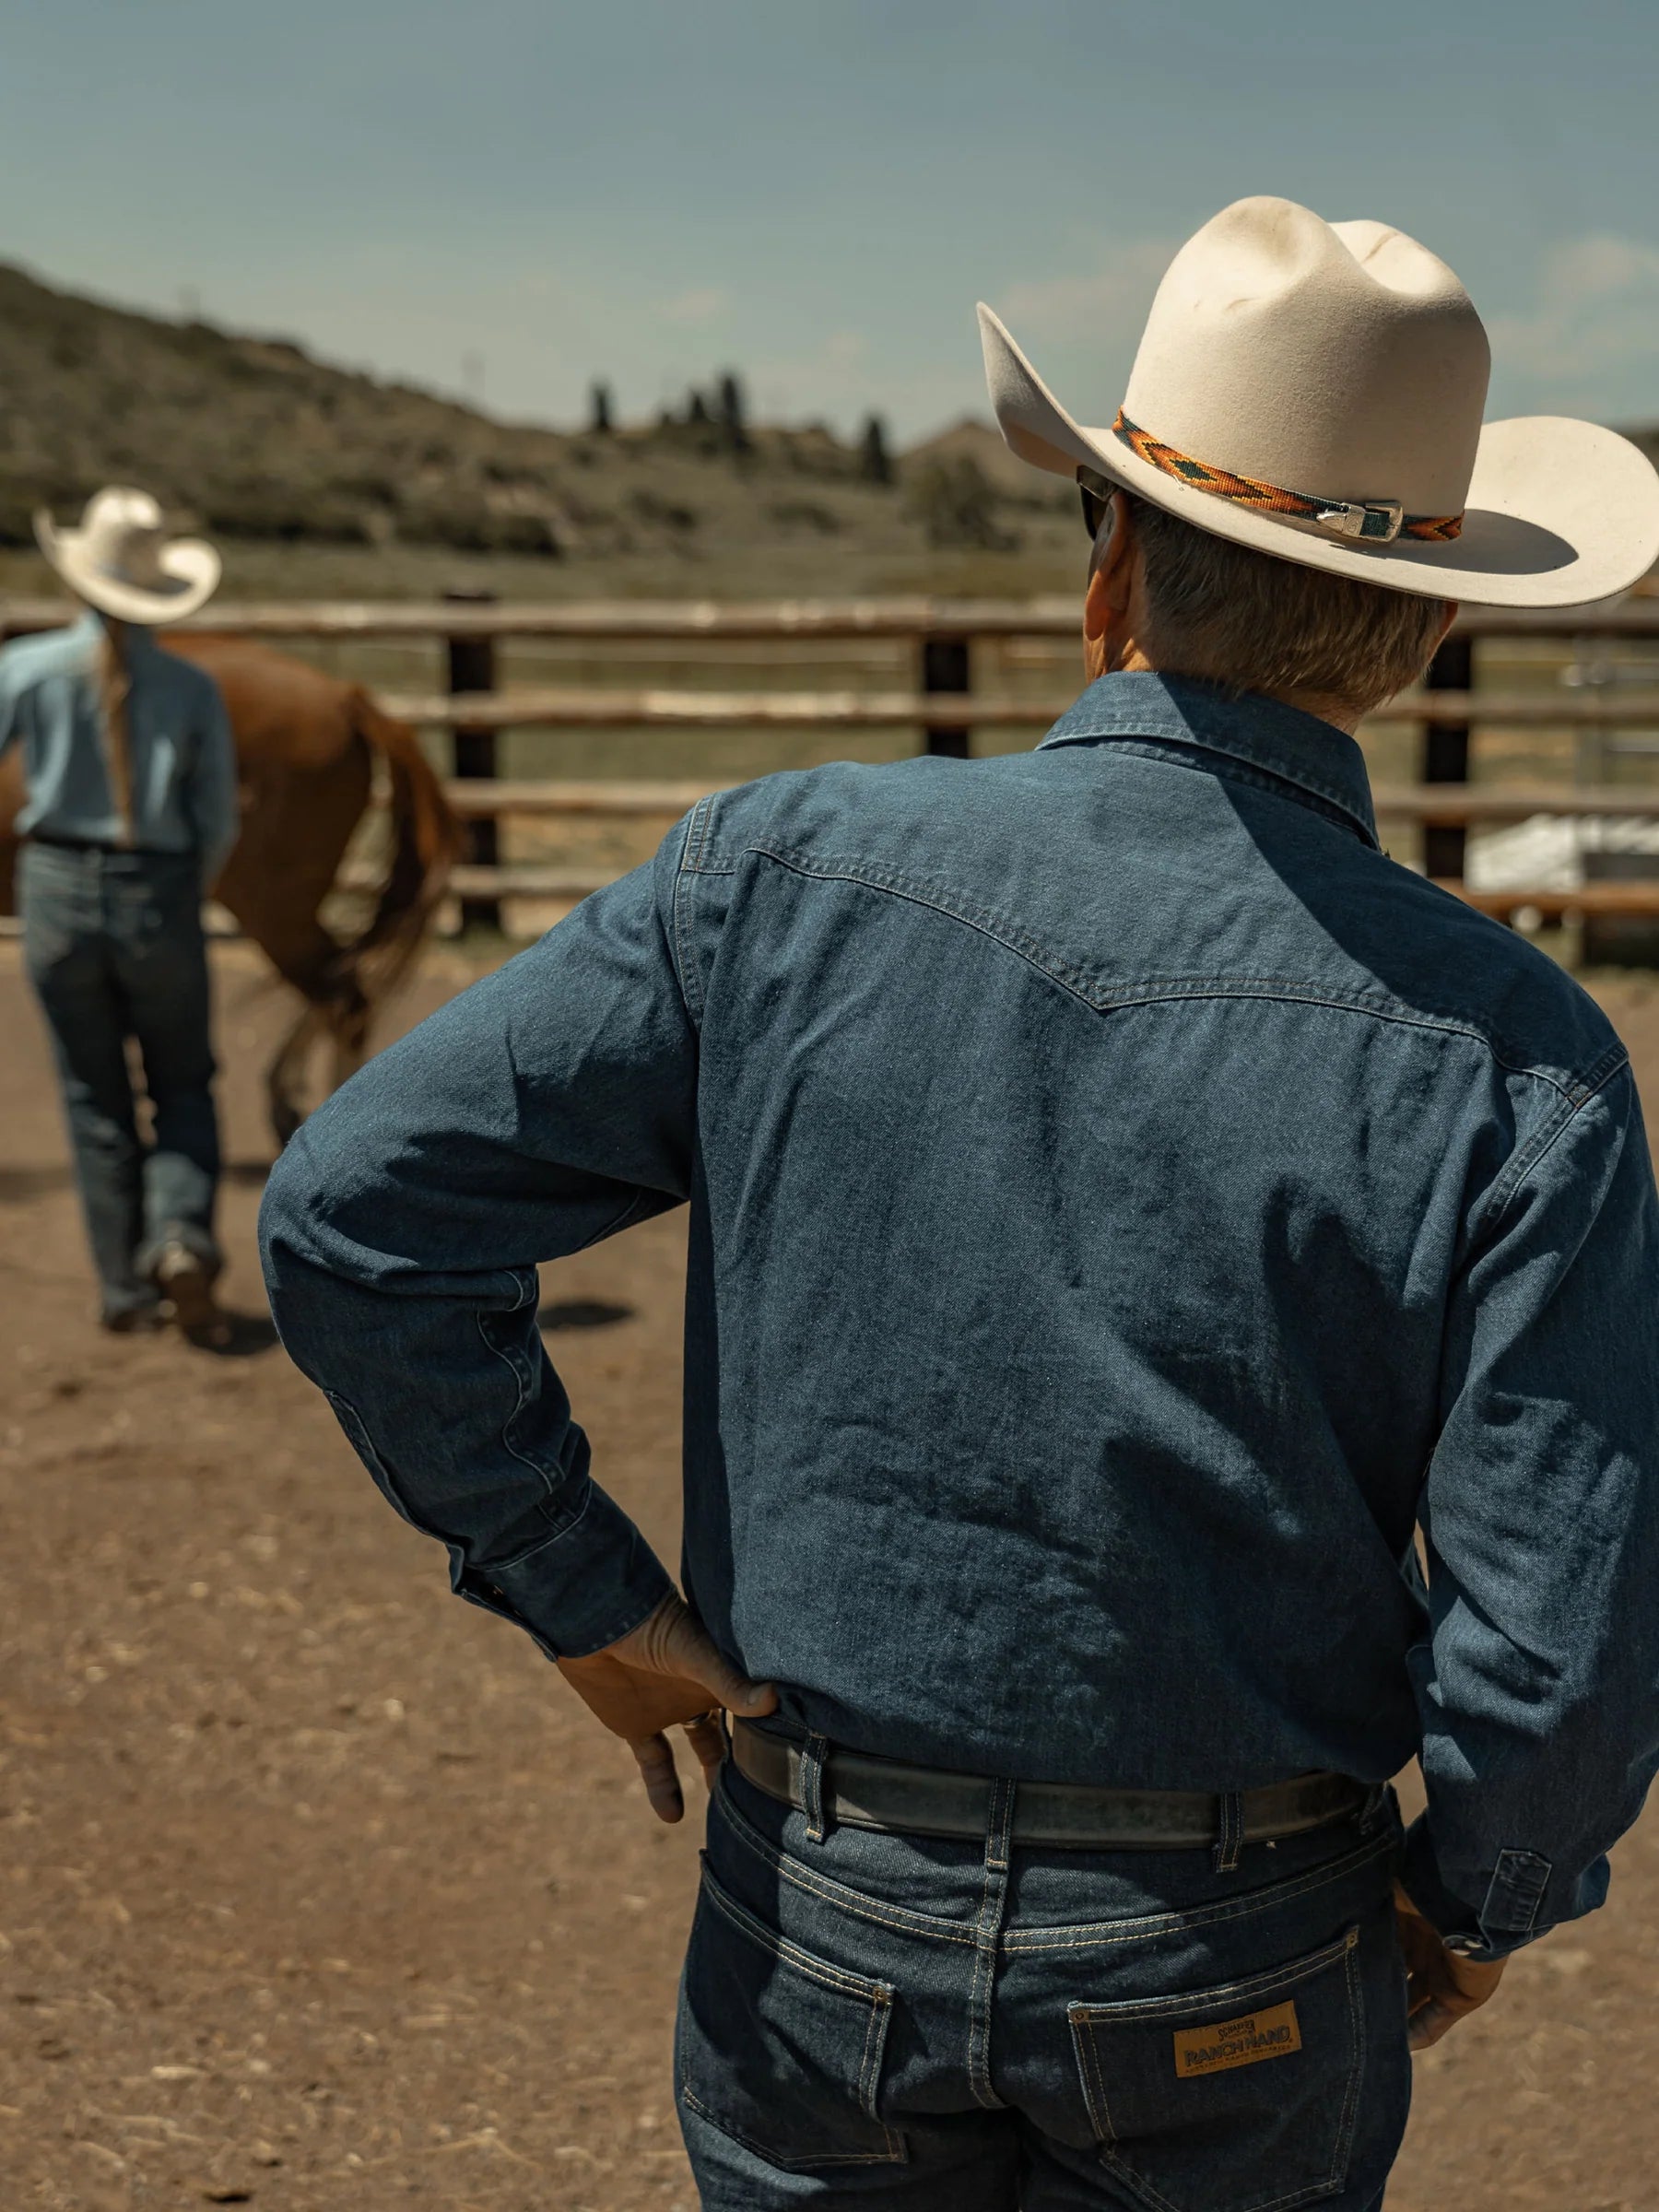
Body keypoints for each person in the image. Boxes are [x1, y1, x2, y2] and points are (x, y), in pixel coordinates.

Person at [259, 198, 1659, 2210]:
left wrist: (585, 1597)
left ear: (1112, 565)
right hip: (1238, 1942)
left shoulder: (780, 877)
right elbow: (1568, 1631)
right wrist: (1483, 1895)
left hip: (824, 1890)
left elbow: (349, 1215)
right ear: (1430, 628)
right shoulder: (1516, 1054)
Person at [3, 488, 238, 1340]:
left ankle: (125, 1288)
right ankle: (180, 1234)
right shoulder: (190, 687)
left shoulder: (24, 670)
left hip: (58, 886)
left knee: (92, 1092)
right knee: (180, 1079)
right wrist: (184, 888)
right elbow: (218, 820)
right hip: (160, 887)